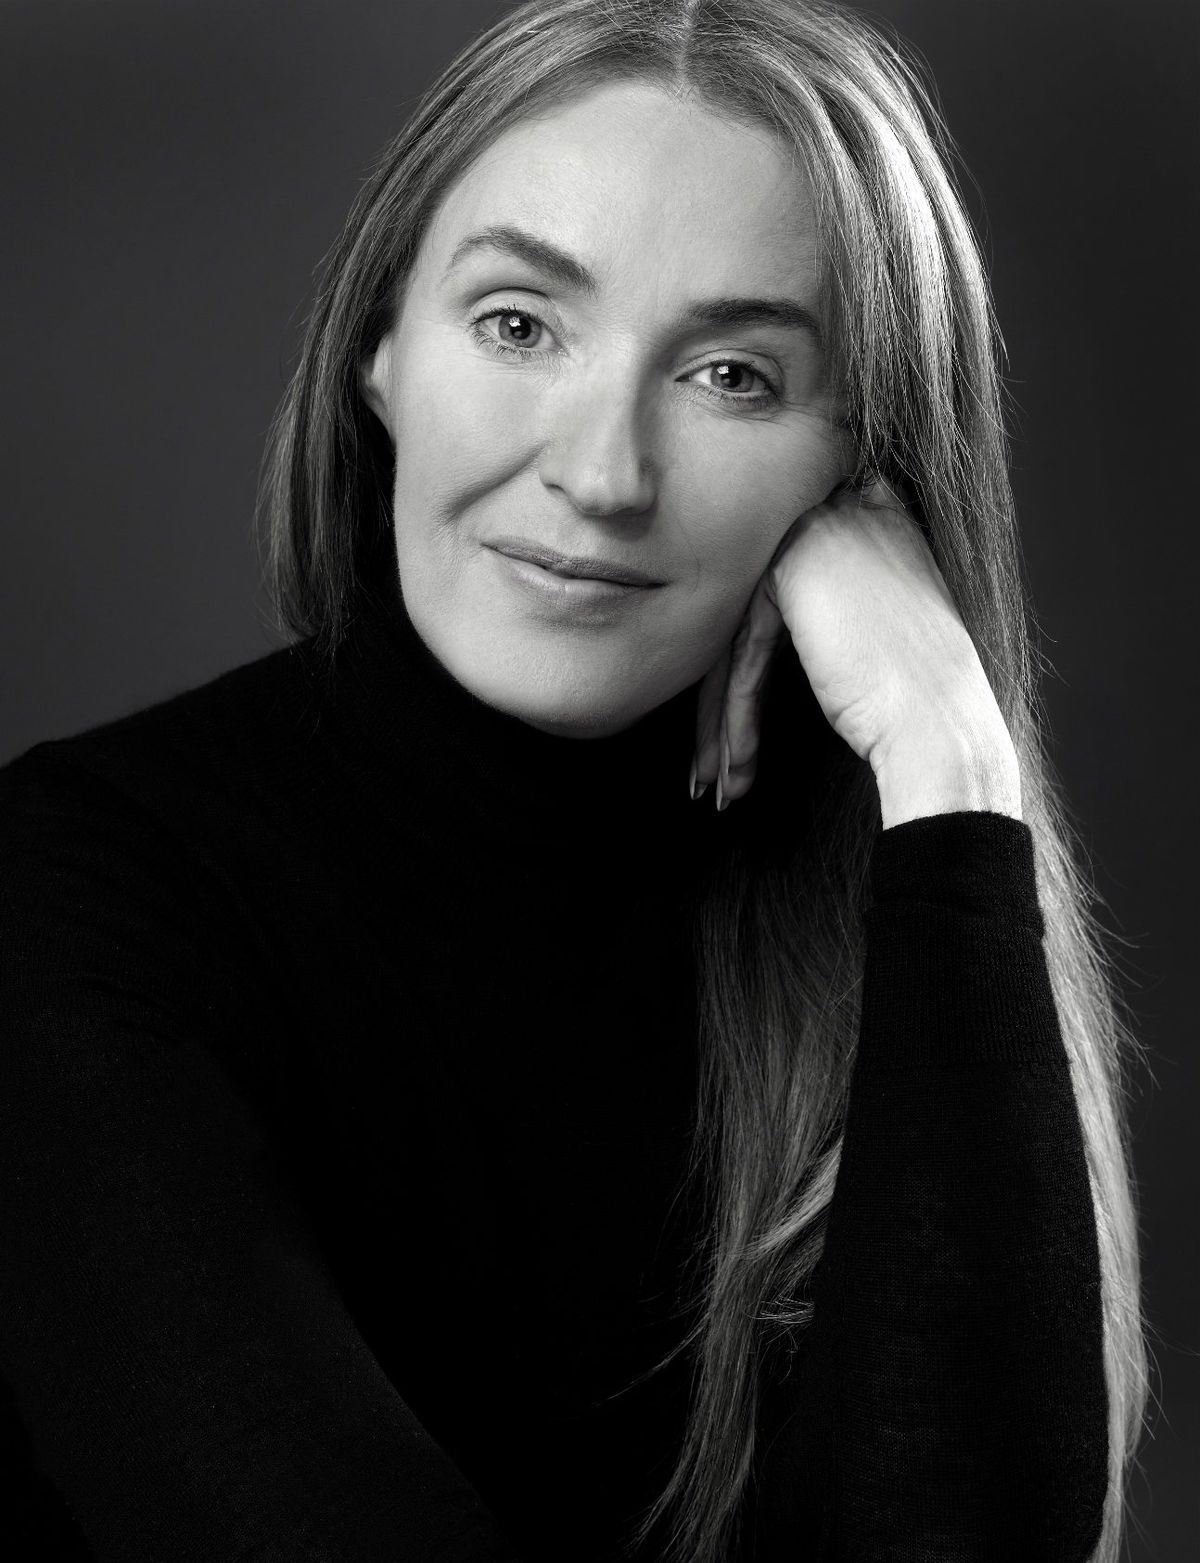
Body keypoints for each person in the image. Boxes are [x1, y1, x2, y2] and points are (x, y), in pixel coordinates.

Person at [0, 0, 1150, 1560]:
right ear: (378, 351)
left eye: (734, 375)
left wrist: (950, 763)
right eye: (519, 324)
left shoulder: (896, 927)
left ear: (860, 474)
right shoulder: (74, 892)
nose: (602, 475)